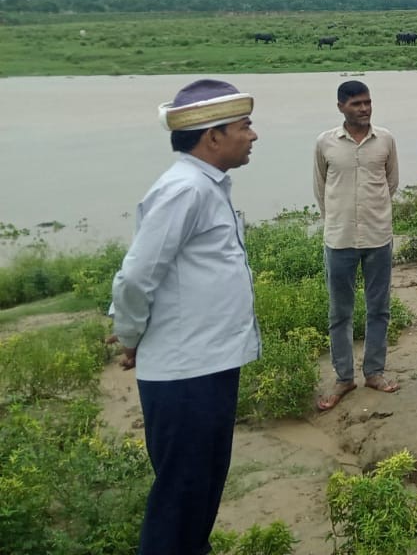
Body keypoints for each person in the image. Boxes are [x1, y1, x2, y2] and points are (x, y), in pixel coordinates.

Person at [108, 79, 262, 554]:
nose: (253, 135)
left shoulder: (205, 186)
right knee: (181, 500)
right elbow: (136, 276)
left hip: (207, 365)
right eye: (244, 126)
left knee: (198, 497)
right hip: (185, 374)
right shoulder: (184, 190)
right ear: (212, 137)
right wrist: (130, 336)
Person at [314, 79, 401, 411]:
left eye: (367, 102)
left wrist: (373, 214)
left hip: (378, 237)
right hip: (339, 240)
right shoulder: (325, 143)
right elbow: (320, 187)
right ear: (341, 107)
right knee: (340, 312)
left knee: (379, 308)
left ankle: (375, 372)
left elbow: (390, 182)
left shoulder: (386, 140)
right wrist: (337, 218)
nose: (363, 109)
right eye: (355, 104)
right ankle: (343, 378)